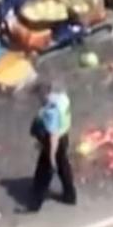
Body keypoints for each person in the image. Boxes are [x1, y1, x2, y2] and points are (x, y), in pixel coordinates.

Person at [27, 80, 76, 211]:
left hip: (55, 141)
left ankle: (35, 203)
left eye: (39, 96)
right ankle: (70, 195)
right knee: (63, 166)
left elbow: (52, 135)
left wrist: (51, 155)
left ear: (44, 94)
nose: (38, 100)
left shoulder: (51, 111)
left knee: (46, 170)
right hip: (64, 135)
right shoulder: (62, 98)